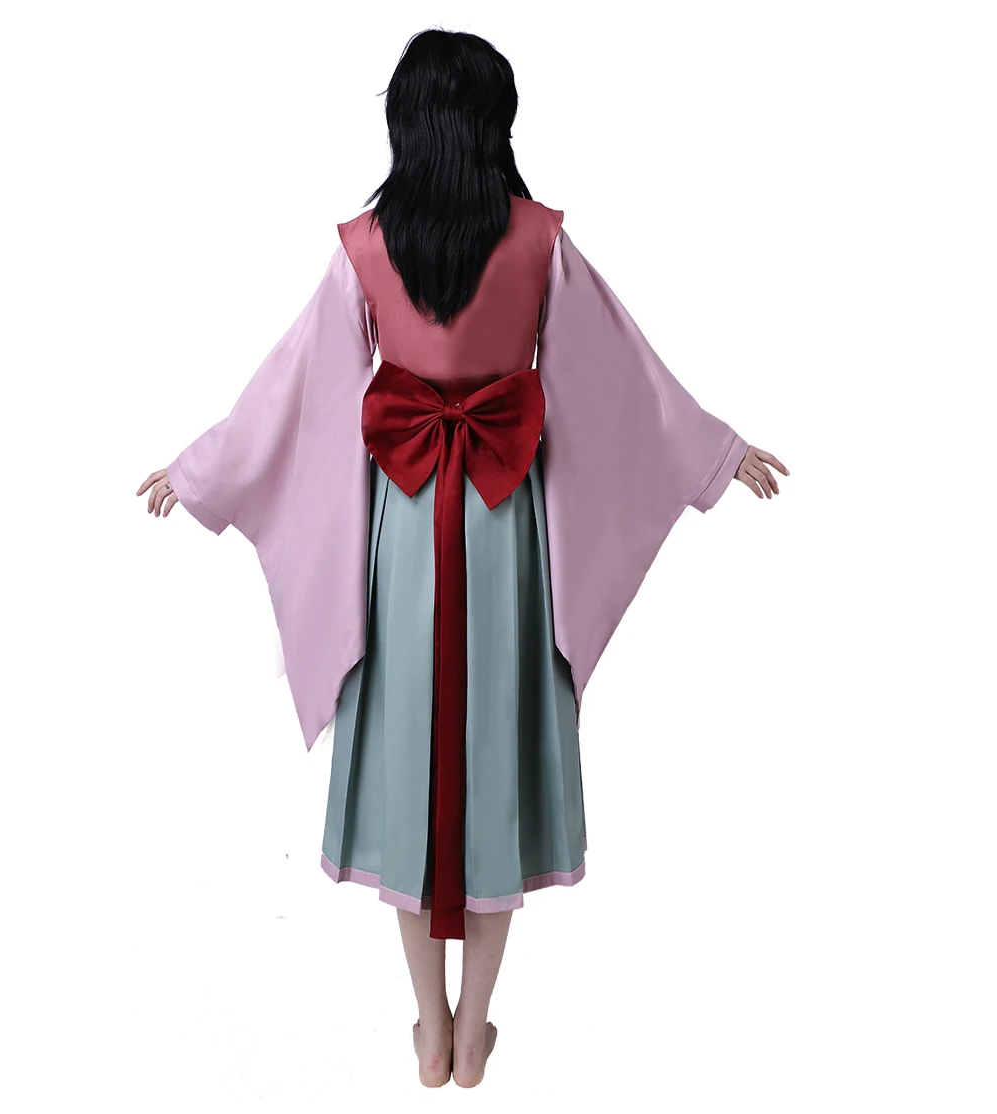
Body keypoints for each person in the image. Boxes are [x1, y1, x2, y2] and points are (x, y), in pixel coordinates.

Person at [136, 28, 788, 1089]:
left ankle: (429, 1026)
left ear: (407, 121)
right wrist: (715, 449)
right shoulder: (538, 240)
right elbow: (623, 374)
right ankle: (476, 1026)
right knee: (496, 759)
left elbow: (288, 386)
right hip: (503, 521)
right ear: (495, 121)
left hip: (403, 528)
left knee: (407, 758)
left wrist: (199, 469)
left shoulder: (366, 245)